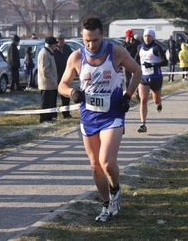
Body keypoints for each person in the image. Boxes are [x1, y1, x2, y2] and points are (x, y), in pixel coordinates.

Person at [58, 16, 141, 222]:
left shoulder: (117, 52)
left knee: (107, 163)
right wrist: (72, 93)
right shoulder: (76, 57)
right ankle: (106, 205)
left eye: (95, 40)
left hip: (112, 115)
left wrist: (128, 96)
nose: (91, 45)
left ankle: (115, 188)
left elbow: (137, 71)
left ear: (102, 35)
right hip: (89, 117)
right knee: (95, 165)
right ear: (82, 37)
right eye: (87, 40)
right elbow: (62, 85)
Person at [135, 28, 168, 133]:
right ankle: (143, 124)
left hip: (156, 77)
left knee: (155, 100)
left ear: (153, 37)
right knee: (143, 100)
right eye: (145, 36)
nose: (147, 38)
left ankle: (159, 103)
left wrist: (152, 64)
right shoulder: (139, 47)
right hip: (144, 78)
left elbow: (165, 62)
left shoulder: (156, 47)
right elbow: (135, 60)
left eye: (149, 36)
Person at [38, 36, 58, 123]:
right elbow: (45, 70)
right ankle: (43, 119)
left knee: (50, 102)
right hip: (47, 84)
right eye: (55, 44)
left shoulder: (49, 52)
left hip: (51, 84)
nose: (56, 46)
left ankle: (49, 117)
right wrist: (54, 80)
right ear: (51, 45)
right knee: (45, 102)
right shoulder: (44, 53)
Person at [54, 33, 73, 119]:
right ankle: (53, 114)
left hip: (66, 74)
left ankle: (66, 113)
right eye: (59, 39)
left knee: (66, 95)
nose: (61, 41)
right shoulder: (53, 50)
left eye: (62, 39)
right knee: (53, 96)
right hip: (56, 75)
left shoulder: (67, 48)